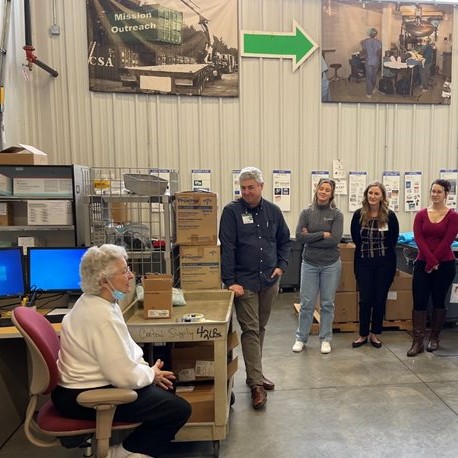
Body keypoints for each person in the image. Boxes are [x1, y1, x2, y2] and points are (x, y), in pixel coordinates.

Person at [51, 244, 191, 458]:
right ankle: (120, 453)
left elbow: (127, 348)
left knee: (169, 386)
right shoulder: (101, 316)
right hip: (86, 397)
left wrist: (148, 370)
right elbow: (123, 376)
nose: (131, 275)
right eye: (124, 271)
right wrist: (150, 374)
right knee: (178, 410)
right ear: (103, 280)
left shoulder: (98, 302)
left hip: (82, 388)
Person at [219, 167, 291, 410]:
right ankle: (256, 385)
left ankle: (256, 374)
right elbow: (227, 248)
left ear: (261, 186)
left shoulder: (273, 211)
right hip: (245, 283)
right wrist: (230, 281)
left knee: (260, 328)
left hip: (269, 281)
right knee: (250, 330)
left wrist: (281, 266)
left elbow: (284, 240)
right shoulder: (231, 212)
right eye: (243, 188)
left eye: (251, 187)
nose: (247, 192)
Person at [292, 178, 343, 355]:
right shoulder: (306, 212)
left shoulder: (337, 214)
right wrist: (323, 234)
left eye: (327, 190)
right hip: (310, 263)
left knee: (327, 303)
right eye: (321, 188)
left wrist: (311, 236)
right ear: (316, 190)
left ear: (331, 193)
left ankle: (325, 339)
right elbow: (299, 236)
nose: (323, 192)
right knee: (306, 303)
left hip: (331, 264)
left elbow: (335, 240)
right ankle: (301, 338)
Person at [407, 180, 458, 357]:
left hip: (445, 265)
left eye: (439, 192)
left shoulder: (453, 216)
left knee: (438, 301)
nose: (435, 194)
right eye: (433, 191)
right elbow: (419, 239)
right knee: (419, 301)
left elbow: (448, 240)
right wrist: (429, 261)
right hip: (423, 264)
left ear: (446, 195)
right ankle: (418, 341)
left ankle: (434, 338)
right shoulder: (421, 214)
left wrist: (434, 261)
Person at [351, 182, 399, 349]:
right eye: (370, 193)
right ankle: (363, 334)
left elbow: (393, 240)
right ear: (366, 195)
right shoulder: (358, 215)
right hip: (364, 263)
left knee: (379, 299)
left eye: (376, 193)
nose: (372, 196)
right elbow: (356, 239)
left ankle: (375, 333)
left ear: (382, 197)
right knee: (365, 300)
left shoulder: (390, 216)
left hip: (384, 264)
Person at [360, 27, 382, 98]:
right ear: (376, 34)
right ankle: (373, 89)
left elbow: (364, 52)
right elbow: (379, 53)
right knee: (374, 76)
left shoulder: (365, 42)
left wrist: (361, 54)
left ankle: (369, 93)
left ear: (369, 34)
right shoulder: (379, 42)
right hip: (376, 61)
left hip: (368, 62)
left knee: (369, 77)